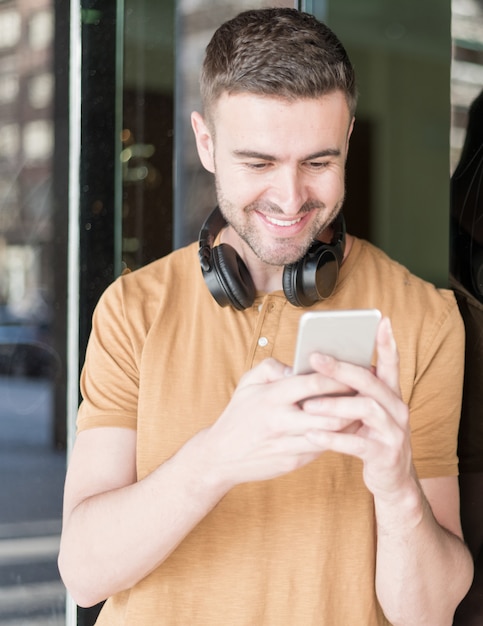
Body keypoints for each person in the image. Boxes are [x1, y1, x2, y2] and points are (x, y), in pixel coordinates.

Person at [58, 8, 473, 625]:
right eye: (258, 163)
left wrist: (398, 490)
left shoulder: (424, 319)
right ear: (206, 142)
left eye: (318, 162)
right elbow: (85, 573)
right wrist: (218, 457)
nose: (290, 196)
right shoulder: (133, 309)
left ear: (348, 141)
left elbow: (428, 615)